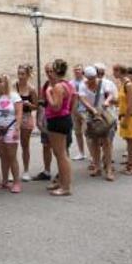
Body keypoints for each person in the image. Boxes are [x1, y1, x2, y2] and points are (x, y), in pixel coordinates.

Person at [78, 66, 115, 181]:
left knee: (106, 142)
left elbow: (110, 94)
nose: (92, 80)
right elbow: (82, 99)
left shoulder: (104, 83)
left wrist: (107, 101)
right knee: (93, 141)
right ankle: (97, 166)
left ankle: (109, 169)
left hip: (103, 113)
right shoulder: (83, 85)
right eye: (89, 78)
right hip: (91, 114)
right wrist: (92, 110)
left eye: (93, 78)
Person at [44, 59, 75, 195]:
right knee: (60, 154)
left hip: (58, 120)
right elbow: (73, 99)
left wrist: (48, 94)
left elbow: (55, 106)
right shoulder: (67, 84)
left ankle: (65, 187)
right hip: (63, 119)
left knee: (61, 154)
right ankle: (62, 183)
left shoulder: (57, 87)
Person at [0, 74, 23, 192]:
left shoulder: (14, 96)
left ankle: (16, 182)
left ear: (7, 83)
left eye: (1, 82)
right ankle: (4, 181)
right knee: (3, 156)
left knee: (12, 156)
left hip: (10, 127)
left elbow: (19, 113)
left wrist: (17, 128)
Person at [113, 64, 132, 176]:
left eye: (114, 71)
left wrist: (126, 119)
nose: (113, 73)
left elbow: (131, 103)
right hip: (125, 116)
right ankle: (130, 165)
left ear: (119, 71)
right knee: (130, 142)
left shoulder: (128, 84)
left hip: (130, 117)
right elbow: (123, 101)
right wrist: (114, 102)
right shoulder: (123, 84)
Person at [15, 65, 41, 181]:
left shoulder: (31, 89)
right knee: (11, 145)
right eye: (19, 73)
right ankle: (12, 170)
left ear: (27, 75)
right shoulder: (13, 86)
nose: (20, 76)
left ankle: (26, 170)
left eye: (22, 74)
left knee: (25, 145)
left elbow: (36, 106)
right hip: (14, 117)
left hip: (26, 116)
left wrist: (29, 105)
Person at [69, 65, 87, 161]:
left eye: (79, 69)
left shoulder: (86, 82)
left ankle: (92, 154)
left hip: (85, 110)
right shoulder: (71, 83)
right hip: (75, 111)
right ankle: (81, 152)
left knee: (87, 132)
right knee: (77, 132)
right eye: (75, 69)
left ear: (82, 71)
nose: (77, 71)